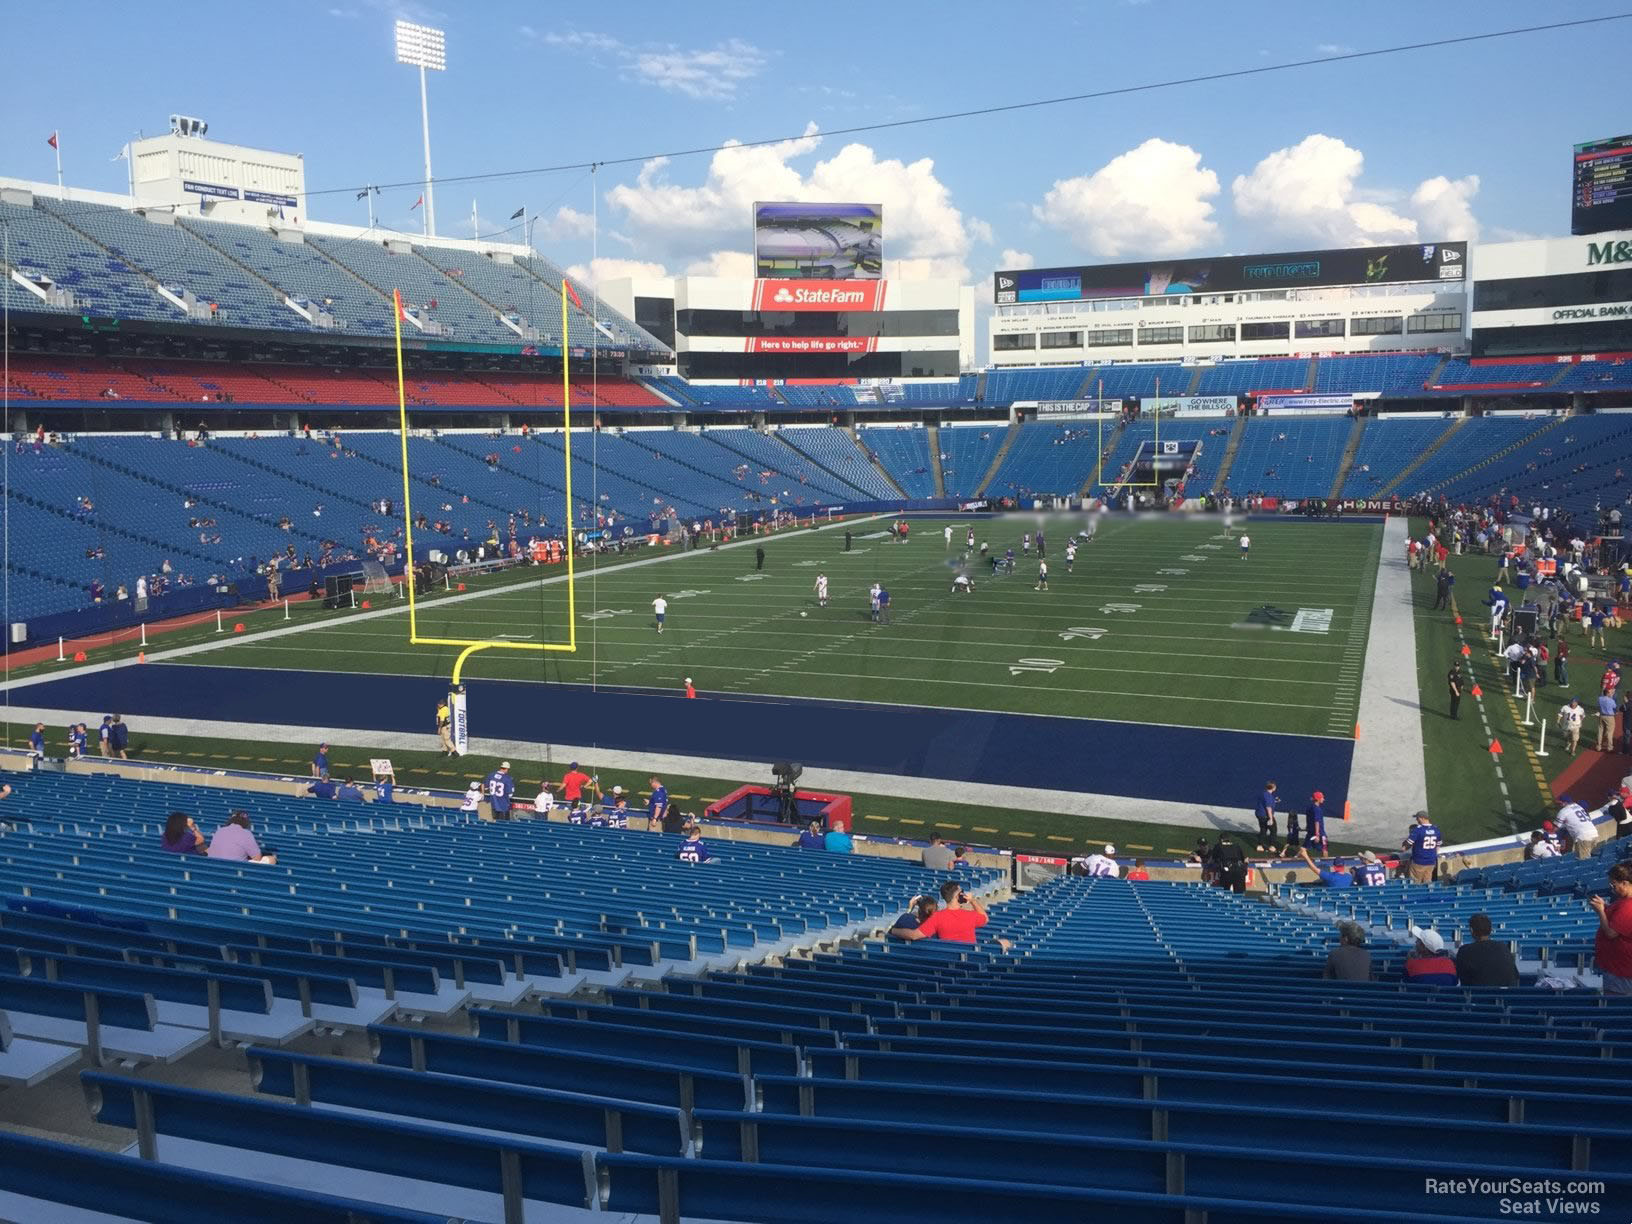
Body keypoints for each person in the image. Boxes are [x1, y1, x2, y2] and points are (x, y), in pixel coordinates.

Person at [1589, 861, 1632, 995]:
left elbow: (1611, 933)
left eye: (1613, 884)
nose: (1612, 888)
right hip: (1616, 968)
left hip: (1621, 971)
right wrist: (1605, 908)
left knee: (1618, 1005)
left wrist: (1601, 911)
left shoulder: (1628, 906)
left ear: (1624, 883)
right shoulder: (1623, 902)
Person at [1455, 913, 1520, 987]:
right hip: (1505, 996)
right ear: (1490, 929)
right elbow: (1515, 978)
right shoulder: (1504, 948)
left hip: (1477, 996)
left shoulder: (1465, 951)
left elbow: (1463, 981)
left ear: (1471, 930)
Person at [208, 812, 276, 864]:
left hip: (214, 864)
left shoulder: (220, 830)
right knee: (271, 859)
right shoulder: (246, 833)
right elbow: (257, 858)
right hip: (235, 868)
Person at [1403, 810, 1440, 884]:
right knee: (1427, 883)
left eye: (1417, 818)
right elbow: (1437, 847)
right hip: (1431, 862)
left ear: (1422, 818)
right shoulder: (1436, 830)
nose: (1417, 820)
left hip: (1419, 862)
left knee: (1415, 883)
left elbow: (1405, 847)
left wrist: (1404, 845)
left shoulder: (1417, 830)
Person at [1254, 780, 1280, 852]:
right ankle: (1272, 846)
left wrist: (1274, 801)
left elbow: (1266, 802)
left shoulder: (1264, 794)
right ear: (1273, 788)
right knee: (1273, 830)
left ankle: (1259, 846)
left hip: (1260, 815)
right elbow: (1268, 808)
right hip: (1266, 816)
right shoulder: (1268, 796)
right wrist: (1271, 819)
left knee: (1263, 830)